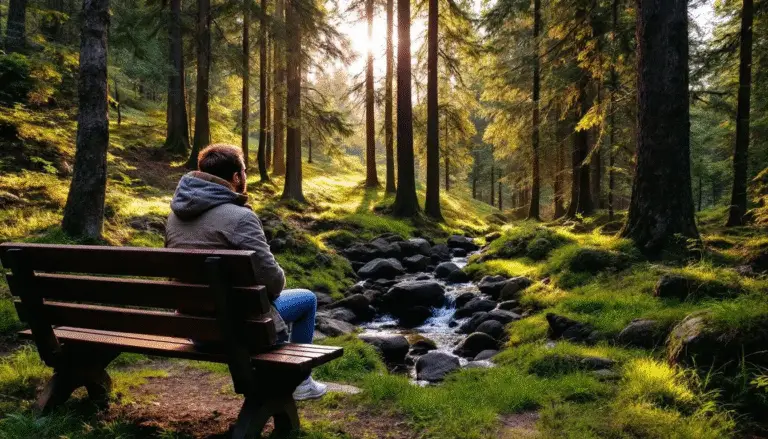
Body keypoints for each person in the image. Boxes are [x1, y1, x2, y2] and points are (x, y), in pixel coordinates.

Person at [165, 143, 327, 401]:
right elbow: (273, 283)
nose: (245, 177)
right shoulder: (240, 217)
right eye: (244, 171)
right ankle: (301, 381)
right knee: (307, 299)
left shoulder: (174, 217)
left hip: (197, 331)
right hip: (240, 330)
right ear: (236, 177)